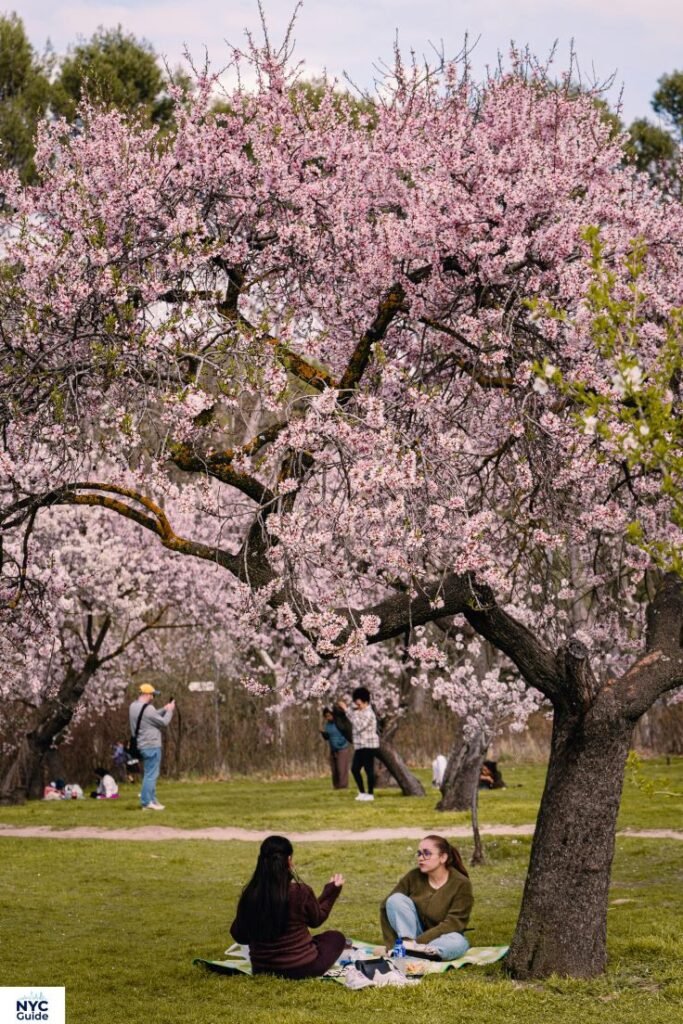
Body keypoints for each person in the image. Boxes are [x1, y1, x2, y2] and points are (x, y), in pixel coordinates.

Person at [230, 835, 346, 979]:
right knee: (335, 937)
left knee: (317, 940)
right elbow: (316, 919)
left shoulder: (250, 894)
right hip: (302, 968)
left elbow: (239, 935)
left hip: (262, 968)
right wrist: (332, 892)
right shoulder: (300, 891)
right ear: (289, 861)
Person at [380, 834, 473, 961]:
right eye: (419, 853)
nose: (420, 858)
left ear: (443, 857)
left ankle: (418, 953)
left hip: (442, 938)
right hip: (410, 938)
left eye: (427, 853)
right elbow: (386, 906)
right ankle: (408, 950)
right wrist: (391, 946)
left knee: (458, 942)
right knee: (395, 899)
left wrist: (418, 943)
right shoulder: (413, 877)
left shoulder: (461, 883)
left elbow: (454, 923)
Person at [128, 682, 175, 811]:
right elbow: (164, 722)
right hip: (151, 745)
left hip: (141, 745)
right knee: (151, 775)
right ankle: (146, 802)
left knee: (149, 774)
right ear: (147, 694)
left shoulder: (133, 706)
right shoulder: (148, 708)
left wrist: (164, 709)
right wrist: (169, 711)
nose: (153, 697)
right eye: (152, 695)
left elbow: (149, 716)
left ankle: (152, 800)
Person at [336, 687, 380, 801]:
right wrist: (347, 710)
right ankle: (362, 792)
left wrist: (347, 710)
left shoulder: (369, 713)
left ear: (365, 702)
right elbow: (353, 718)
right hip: (360, 745)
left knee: (368, 770)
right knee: (355, 769)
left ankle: (370, 794)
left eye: (359, 703)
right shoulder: (359, 712)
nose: (357, 706)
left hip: (369, 745)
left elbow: (359, 726)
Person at [320, 707, 351, 789]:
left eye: (329, 715)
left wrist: (341, 742)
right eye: (326, 716)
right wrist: (324, 734)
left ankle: (343, 786)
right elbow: (328, 737)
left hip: (342, 748)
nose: (328, 718)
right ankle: (336, 786)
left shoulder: (339, 723)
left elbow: (346, 733)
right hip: (333, 749)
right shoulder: (327, 725)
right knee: (334, 769)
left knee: (342, 768)